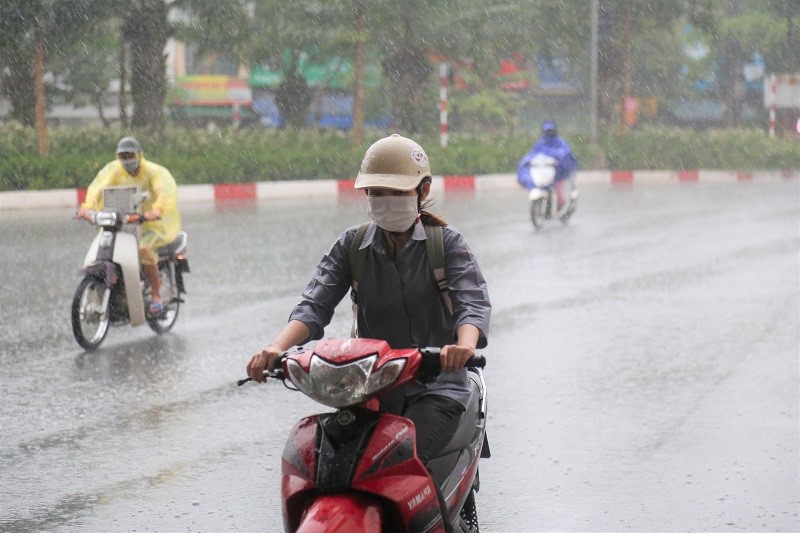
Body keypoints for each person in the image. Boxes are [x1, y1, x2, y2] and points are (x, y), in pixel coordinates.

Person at [247, 133, 491, 491]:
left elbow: (472, 303)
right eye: (377, 193)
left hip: (438, 387)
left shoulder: (446, 244)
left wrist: (463, 348)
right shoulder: (353, 245)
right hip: (369, 387)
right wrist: (275, 348)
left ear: (422, 191)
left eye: (397, 193)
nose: (385, 201)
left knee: (398, 472)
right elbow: (314, 304)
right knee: (330, 468)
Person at [76, 136, 181, 315]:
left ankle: (156, 295)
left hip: (153, 225)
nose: (127, 160)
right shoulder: (114, 170)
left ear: (140, 154)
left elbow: (163, 192)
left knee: (143, 248)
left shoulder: (154, 172)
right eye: (123, 156)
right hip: (122, 223)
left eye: (130, 155)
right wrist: (87, 208)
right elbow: (98, 188)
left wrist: (155, 211)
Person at [516, 120, 579, 211]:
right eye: (547, 131)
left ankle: (561, 205)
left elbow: (566, 154)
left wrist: (559, 160)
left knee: (558, 187)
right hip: (544, 170)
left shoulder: (560, 142)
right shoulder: (540, 143)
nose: (549, 133)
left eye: (550, 131)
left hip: (558, 172)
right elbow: (532, 155)